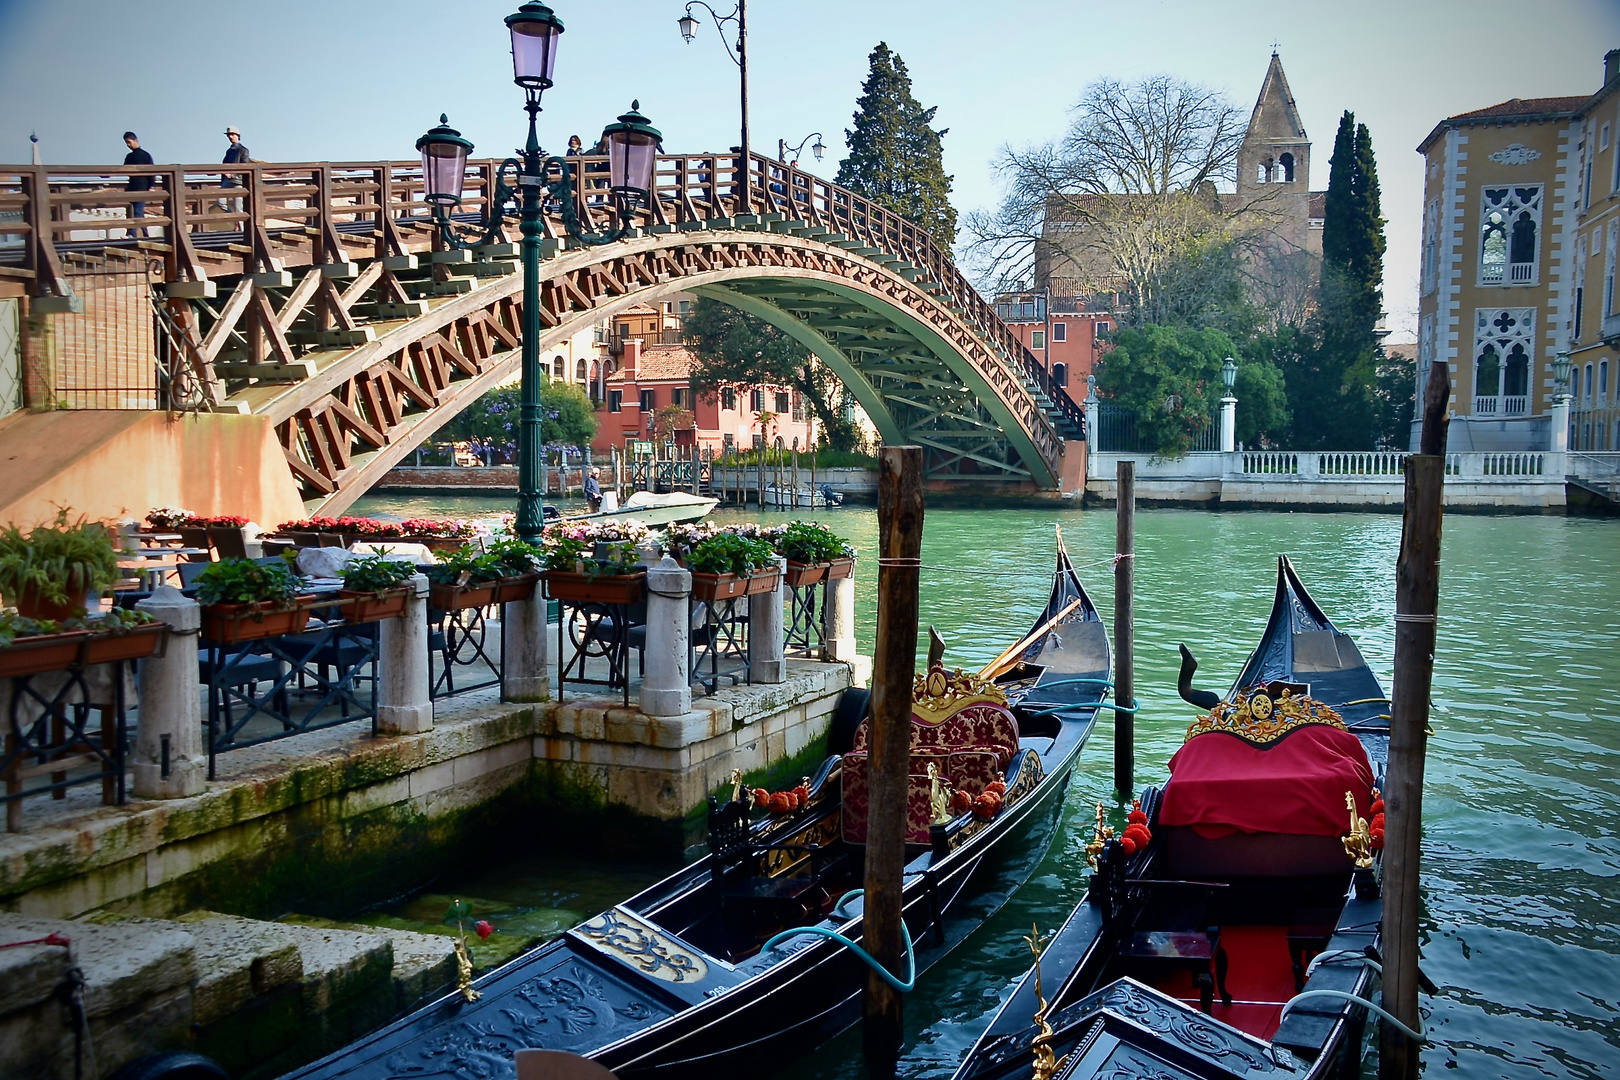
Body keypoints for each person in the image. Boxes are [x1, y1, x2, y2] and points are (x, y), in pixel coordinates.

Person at [122, 131, 153, 238]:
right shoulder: (129, 156)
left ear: (135, 140)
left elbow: (152, 172)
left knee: (137, 211)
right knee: (138, 212)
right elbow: (124, 170)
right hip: (133, 187)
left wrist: (151, 186)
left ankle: (131, 233)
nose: (128, 145)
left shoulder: (145, 155)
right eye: (126, 143)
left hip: (142, 187)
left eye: (129, 142)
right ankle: (145, 234)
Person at [218, 126, 250, 215]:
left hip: (237, 182)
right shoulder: (229, 151)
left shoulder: (243, 150)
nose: (230, 137)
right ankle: (235, 219)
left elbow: (245, 167)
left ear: (237, 135)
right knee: (220, 202)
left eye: (232, 135)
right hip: (227, 181)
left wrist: (232, 175)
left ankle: (240, 226)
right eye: (229, 135)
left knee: (238, 208)